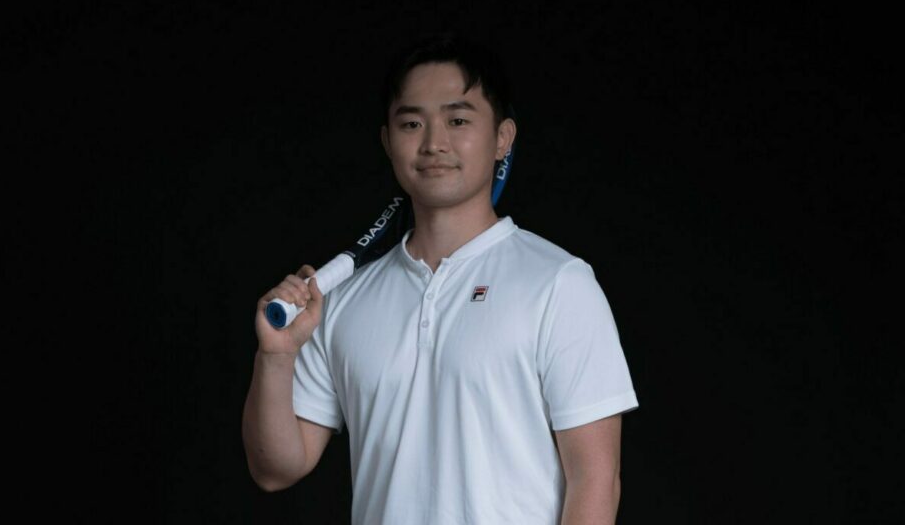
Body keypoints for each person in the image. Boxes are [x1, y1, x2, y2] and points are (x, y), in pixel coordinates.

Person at [242, 33, 639, 524]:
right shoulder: (341, 299)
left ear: (502, 138)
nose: (433, 143)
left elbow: (595, 479)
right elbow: (275, 468)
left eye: (458, 120)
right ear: (387, 141)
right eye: (411, 123)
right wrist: (276, 357)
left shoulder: (559, 284)